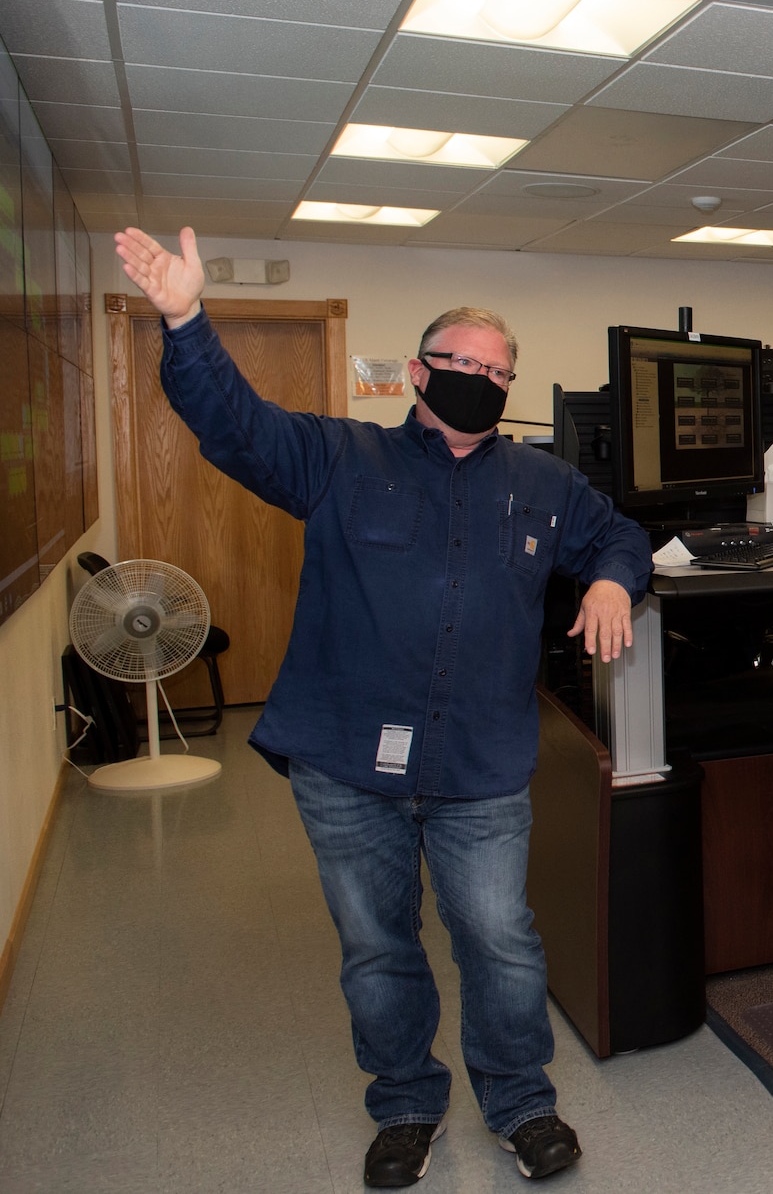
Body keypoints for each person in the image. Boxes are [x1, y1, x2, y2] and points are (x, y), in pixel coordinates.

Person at [113, 226, 653, 1187]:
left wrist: (613, 581)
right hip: (347, 764)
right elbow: (231, 423)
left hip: (481, 766)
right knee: (377, 948)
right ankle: (405, 1102)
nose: (482, 380)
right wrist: (187, 320)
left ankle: (521, 1100)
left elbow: (620, 537)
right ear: (417, 369)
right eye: (462, 363)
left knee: (501, 940)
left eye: (500, 369)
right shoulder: (339, 456)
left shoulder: (542, 483)